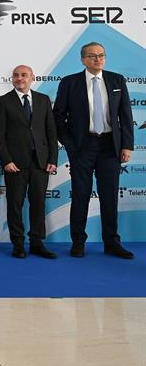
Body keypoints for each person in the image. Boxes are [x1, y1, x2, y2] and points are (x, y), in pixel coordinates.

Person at [53, 42, 134, 259]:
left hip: (110, 147)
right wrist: (70, 145)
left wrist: (126, 145)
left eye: (101, 55)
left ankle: (112, 243)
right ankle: (78, 242)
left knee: (109, 197)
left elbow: (125, 116)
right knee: (81, 195)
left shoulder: (117, 80)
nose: (97, 59)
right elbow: (58, 117)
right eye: (92, 56)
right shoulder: (69, 83)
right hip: (82, 147)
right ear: (82, 59)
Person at [0, 65, 58, 259]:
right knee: (15, 204)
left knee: (38, 203)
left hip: (41, 162)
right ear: (12, 79)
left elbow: (51, 132)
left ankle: (37, 243)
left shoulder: (43, 100)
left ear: (32, 77)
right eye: (16, 75)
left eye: (23, 75)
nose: (19, 78)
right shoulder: (3, 101)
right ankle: (18, 244)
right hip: (15, 164)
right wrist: (6, 160)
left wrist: (53, 159)